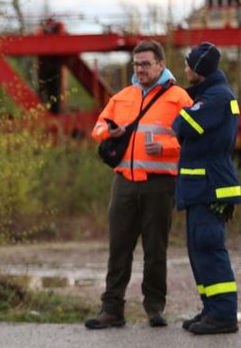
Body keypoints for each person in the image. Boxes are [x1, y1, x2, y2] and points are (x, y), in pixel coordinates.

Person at [85, 40, 193, 329]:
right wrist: (108, 131)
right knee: (118, 248)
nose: (140, 69)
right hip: (124, 184)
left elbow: (195, 141)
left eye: (146, 64)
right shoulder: (122, 97)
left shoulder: (179, 98)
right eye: (136, 64)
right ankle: (112, 309)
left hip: (160, 185)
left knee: (155, 250)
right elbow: (97, 128)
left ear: (160, 64)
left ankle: (154, 308)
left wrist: (167, 147)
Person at [172, 42, 240, 335]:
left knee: (209, 248)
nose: (185, 68)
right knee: (198, 250)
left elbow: (183, 124)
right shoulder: (209, 94)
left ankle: (224, 314)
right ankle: (211, 309)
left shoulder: (217, 98)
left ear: (199, 69)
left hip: (210, 187)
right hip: (200, 187)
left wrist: (185, 109)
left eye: (189, 65)